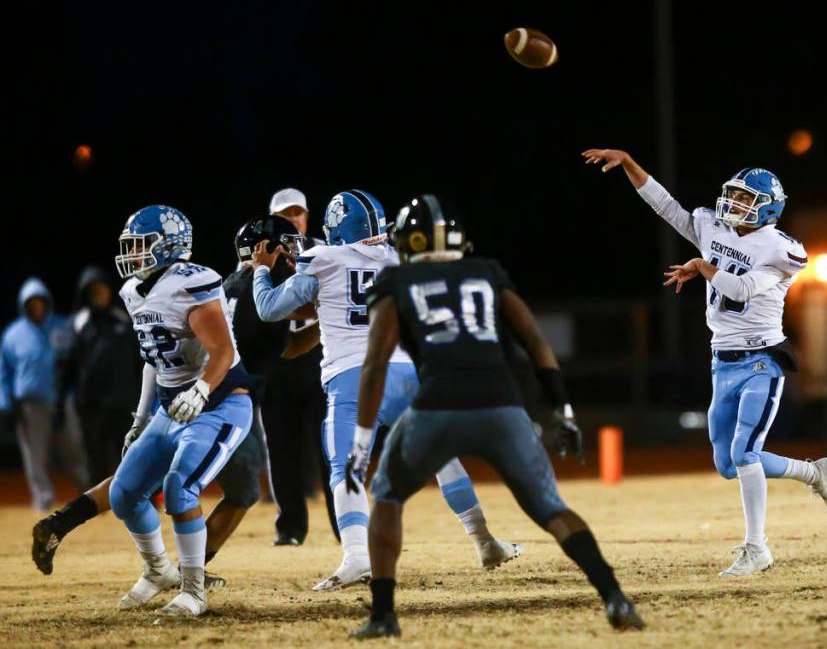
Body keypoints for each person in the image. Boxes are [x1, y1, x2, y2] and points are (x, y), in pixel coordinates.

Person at [346, 195, 644, 639]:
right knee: (550, 508)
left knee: (387, 497)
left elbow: (375, 363)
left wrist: (361, 439)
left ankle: (384, 615)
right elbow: (536, 343)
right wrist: (563, 410)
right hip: (501, 404)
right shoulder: (486, 272)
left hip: (437, 405)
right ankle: (614, 596)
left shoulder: (396, 279)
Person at [582, 148, 827, 577]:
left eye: (745, 200)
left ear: (768, 208)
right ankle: (814, 473)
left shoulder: (779, 250)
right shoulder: (714, 228)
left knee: (744, 451)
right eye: (734, 196)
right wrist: (629, 163)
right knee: (727, 464)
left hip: (762, 358)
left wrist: (702, 266)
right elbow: (666, 206)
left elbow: (740, 289)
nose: (735, 205)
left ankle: (757, 548)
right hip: (723, 361)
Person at [252, 189, 520, 591]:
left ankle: (357, 556)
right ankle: (485, 541)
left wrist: (260, 269)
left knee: (345, 467)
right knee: (442, 457)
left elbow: (270, 308)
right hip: (407, 373)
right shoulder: (397, 257)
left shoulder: (323, 260)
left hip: (352, 378)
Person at [109, 204, 254, 616]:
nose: (133, 253)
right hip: (172, 407)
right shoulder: (132, 291)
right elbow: (154, 360)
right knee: (124, 494)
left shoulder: (191, 282)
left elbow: (222, 351)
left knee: (180, 488)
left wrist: (203, 389)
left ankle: (194, 589)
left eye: (142, 245)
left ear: (169, 246)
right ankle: (158, 570)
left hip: (220, 402)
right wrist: (140, 420)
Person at [228, 215, 338, 544]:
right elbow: (286, 346)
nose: (294, 253)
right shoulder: (263, 285)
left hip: (234, 388)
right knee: (242, 487)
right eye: (288, 246)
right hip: (232, 396)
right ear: (266, 249)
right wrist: (329, 317)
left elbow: (285, 345)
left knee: (243, 483)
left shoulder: (231, 281)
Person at [0, 277, 89, 510]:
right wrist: (6, 405)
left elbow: (78, 360)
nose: (36, 306)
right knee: (35, 457)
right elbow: (4, 373)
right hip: (30, 406)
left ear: (47, 302)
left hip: (63, 400)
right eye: (31, 303)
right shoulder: (12, 334)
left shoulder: (62, 326)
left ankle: (89, 497)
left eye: (40, 301)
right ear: (24, 305)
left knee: (75, 450)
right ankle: (43, 501)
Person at [61, 267, 143, 483]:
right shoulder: (78, 324)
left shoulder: (124, 320)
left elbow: (140, 362)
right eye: (93, 290)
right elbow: (67, 366)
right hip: (92, 404)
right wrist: (64, 401)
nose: (98, 293)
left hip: (123, 401)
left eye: (102, 288)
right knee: (94, 454)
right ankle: (95, 504)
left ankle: (131, 497)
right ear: (85, 294)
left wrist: (142, 398)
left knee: (127, 453)